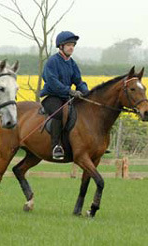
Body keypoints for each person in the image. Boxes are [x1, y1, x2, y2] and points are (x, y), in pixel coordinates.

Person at [40, 31, 89, 160]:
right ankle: (56, 146)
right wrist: (70, 91)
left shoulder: (72, 63)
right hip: (51, 97)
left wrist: (86, 93)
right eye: (68, 45)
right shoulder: (52, 61)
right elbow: (52, 81)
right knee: (59, 113)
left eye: (73, 45)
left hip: (66, 98)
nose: (71, 47)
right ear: (61, 46)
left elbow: (78, 81)